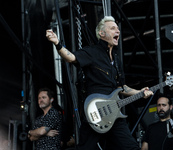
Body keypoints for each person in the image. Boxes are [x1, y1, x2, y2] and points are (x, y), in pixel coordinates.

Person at [46, 16, 153, 150]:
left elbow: (121, 87)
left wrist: (140, 92)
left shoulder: (116, 60)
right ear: (102, 33)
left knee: (131, 147)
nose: (118, 31)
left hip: (114, 114)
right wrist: (58, 44)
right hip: (95, 111)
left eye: (118, 29)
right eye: (113, 28)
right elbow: (71, 58)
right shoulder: (92, 52)